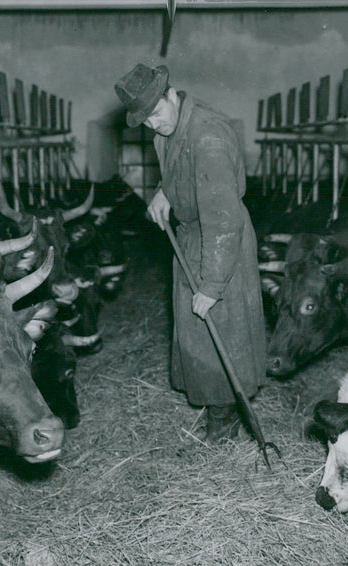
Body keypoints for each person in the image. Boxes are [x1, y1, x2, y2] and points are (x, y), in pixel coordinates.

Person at [114, 64, 266, 443]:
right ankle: (219, 413)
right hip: (196, 235)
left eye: (154, 112)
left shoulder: (207, 137)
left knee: (221, 331)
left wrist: (213, 285)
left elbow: (224, 220)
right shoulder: (172, 127)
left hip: (219, 241)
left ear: (171, 93)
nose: (151, 124)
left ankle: (224, 427)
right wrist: (166, 191)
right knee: (200, 335)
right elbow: (181, 171)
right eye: (143, 119)